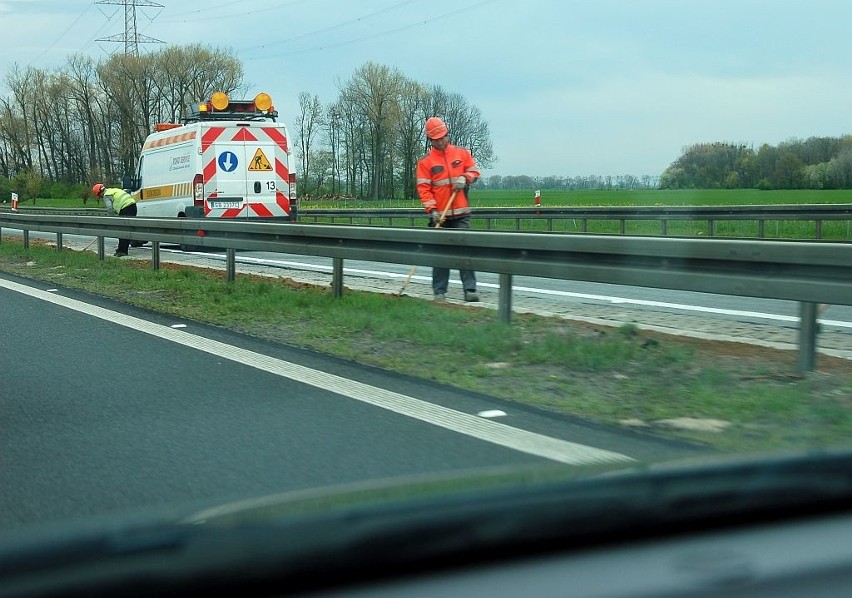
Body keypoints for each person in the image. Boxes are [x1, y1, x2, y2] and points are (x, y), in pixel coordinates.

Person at [416, 116, 481, 302]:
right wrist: (432, 211)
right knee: (440, 254)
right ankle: (439, 292)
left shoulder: (461, 153)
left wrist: (466, 178)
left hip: (461, 214)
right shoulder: (425, 162)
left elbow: (475, 171)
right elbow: (424, 190)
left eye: (443, 136)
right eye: (437, 139)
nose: (441, 141)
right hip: (439, 216)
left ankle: (470, 290)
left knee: (464, 251)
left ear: (447, 134)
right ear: (430, 140)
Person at [92, 183, 137, 257]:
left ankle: (122, 251)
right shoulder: (113, 190)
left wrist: (112, 217)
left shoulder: (106, 196)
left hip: (125, 208)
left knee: (122, 231)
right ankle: (123, 248)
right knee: (127, 229)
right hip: (133, 206)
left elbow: (110, 209)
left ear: (99, 193)